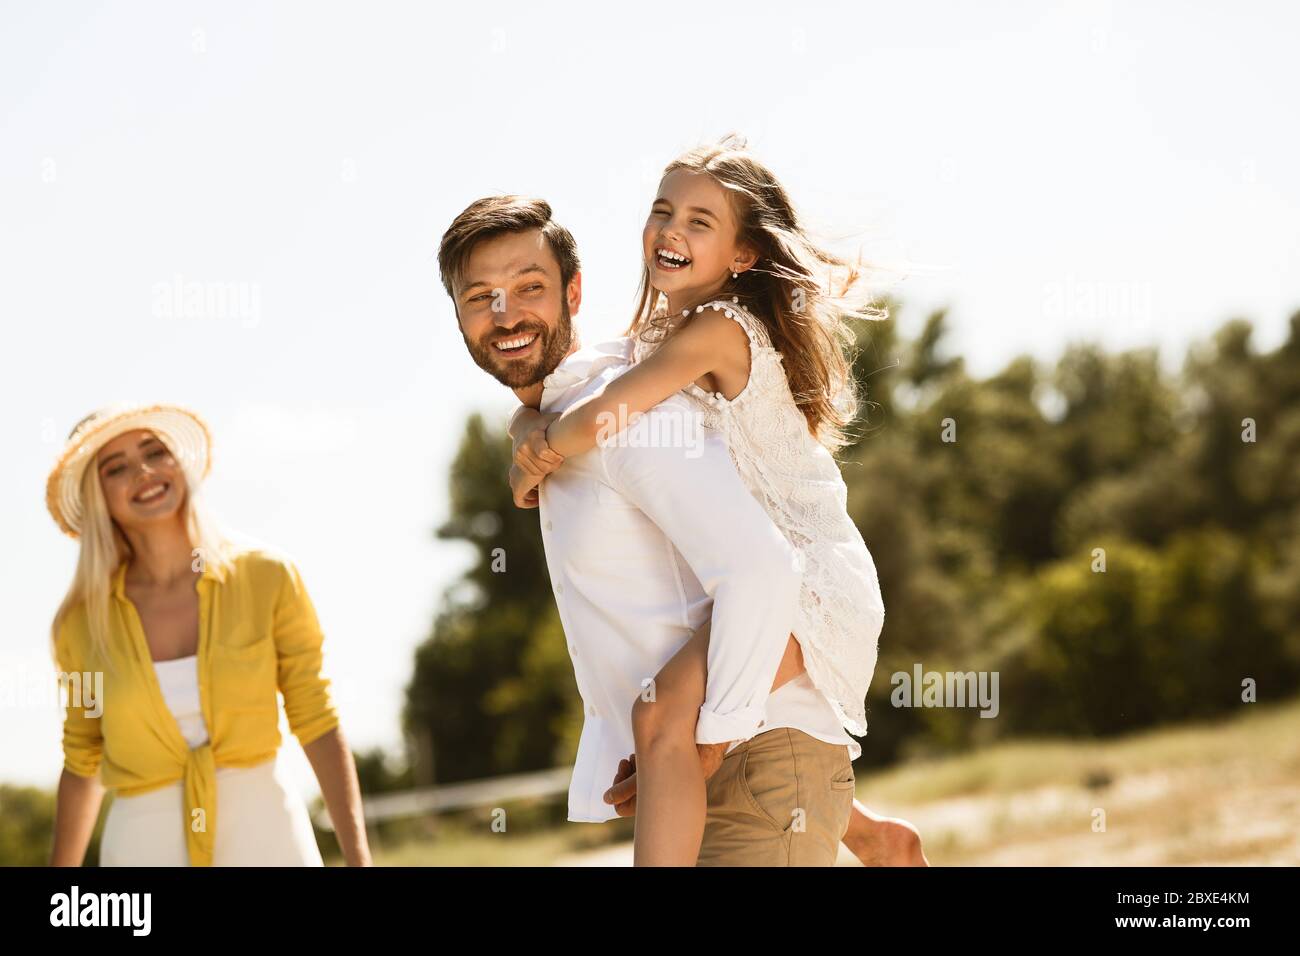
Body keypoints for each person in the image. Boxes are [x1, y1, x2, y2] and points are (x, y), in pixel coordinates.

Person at [440, 189, 925, 865]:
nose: (506, 314)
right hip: (714, 774)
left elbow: (760, 570)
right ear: (458, 318)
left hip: (753, 770)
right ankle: (868, 833)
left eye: (530, 287)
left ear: (573, 292)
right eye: (479, 296)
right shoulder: (560, 422)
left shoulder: (621, 417)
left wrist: (701, 748)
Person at [46, 402, 371, 866]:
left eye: (154, 452)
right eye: (115, 467)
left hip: (269, 835)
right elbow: (82, 761)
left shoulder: (267, 576)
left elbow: (316, 719)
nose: (142, 471)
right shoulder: (79, 626)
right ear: (99, 496)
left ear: (178, 462)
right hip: (143, 848)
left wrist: (359, 860)